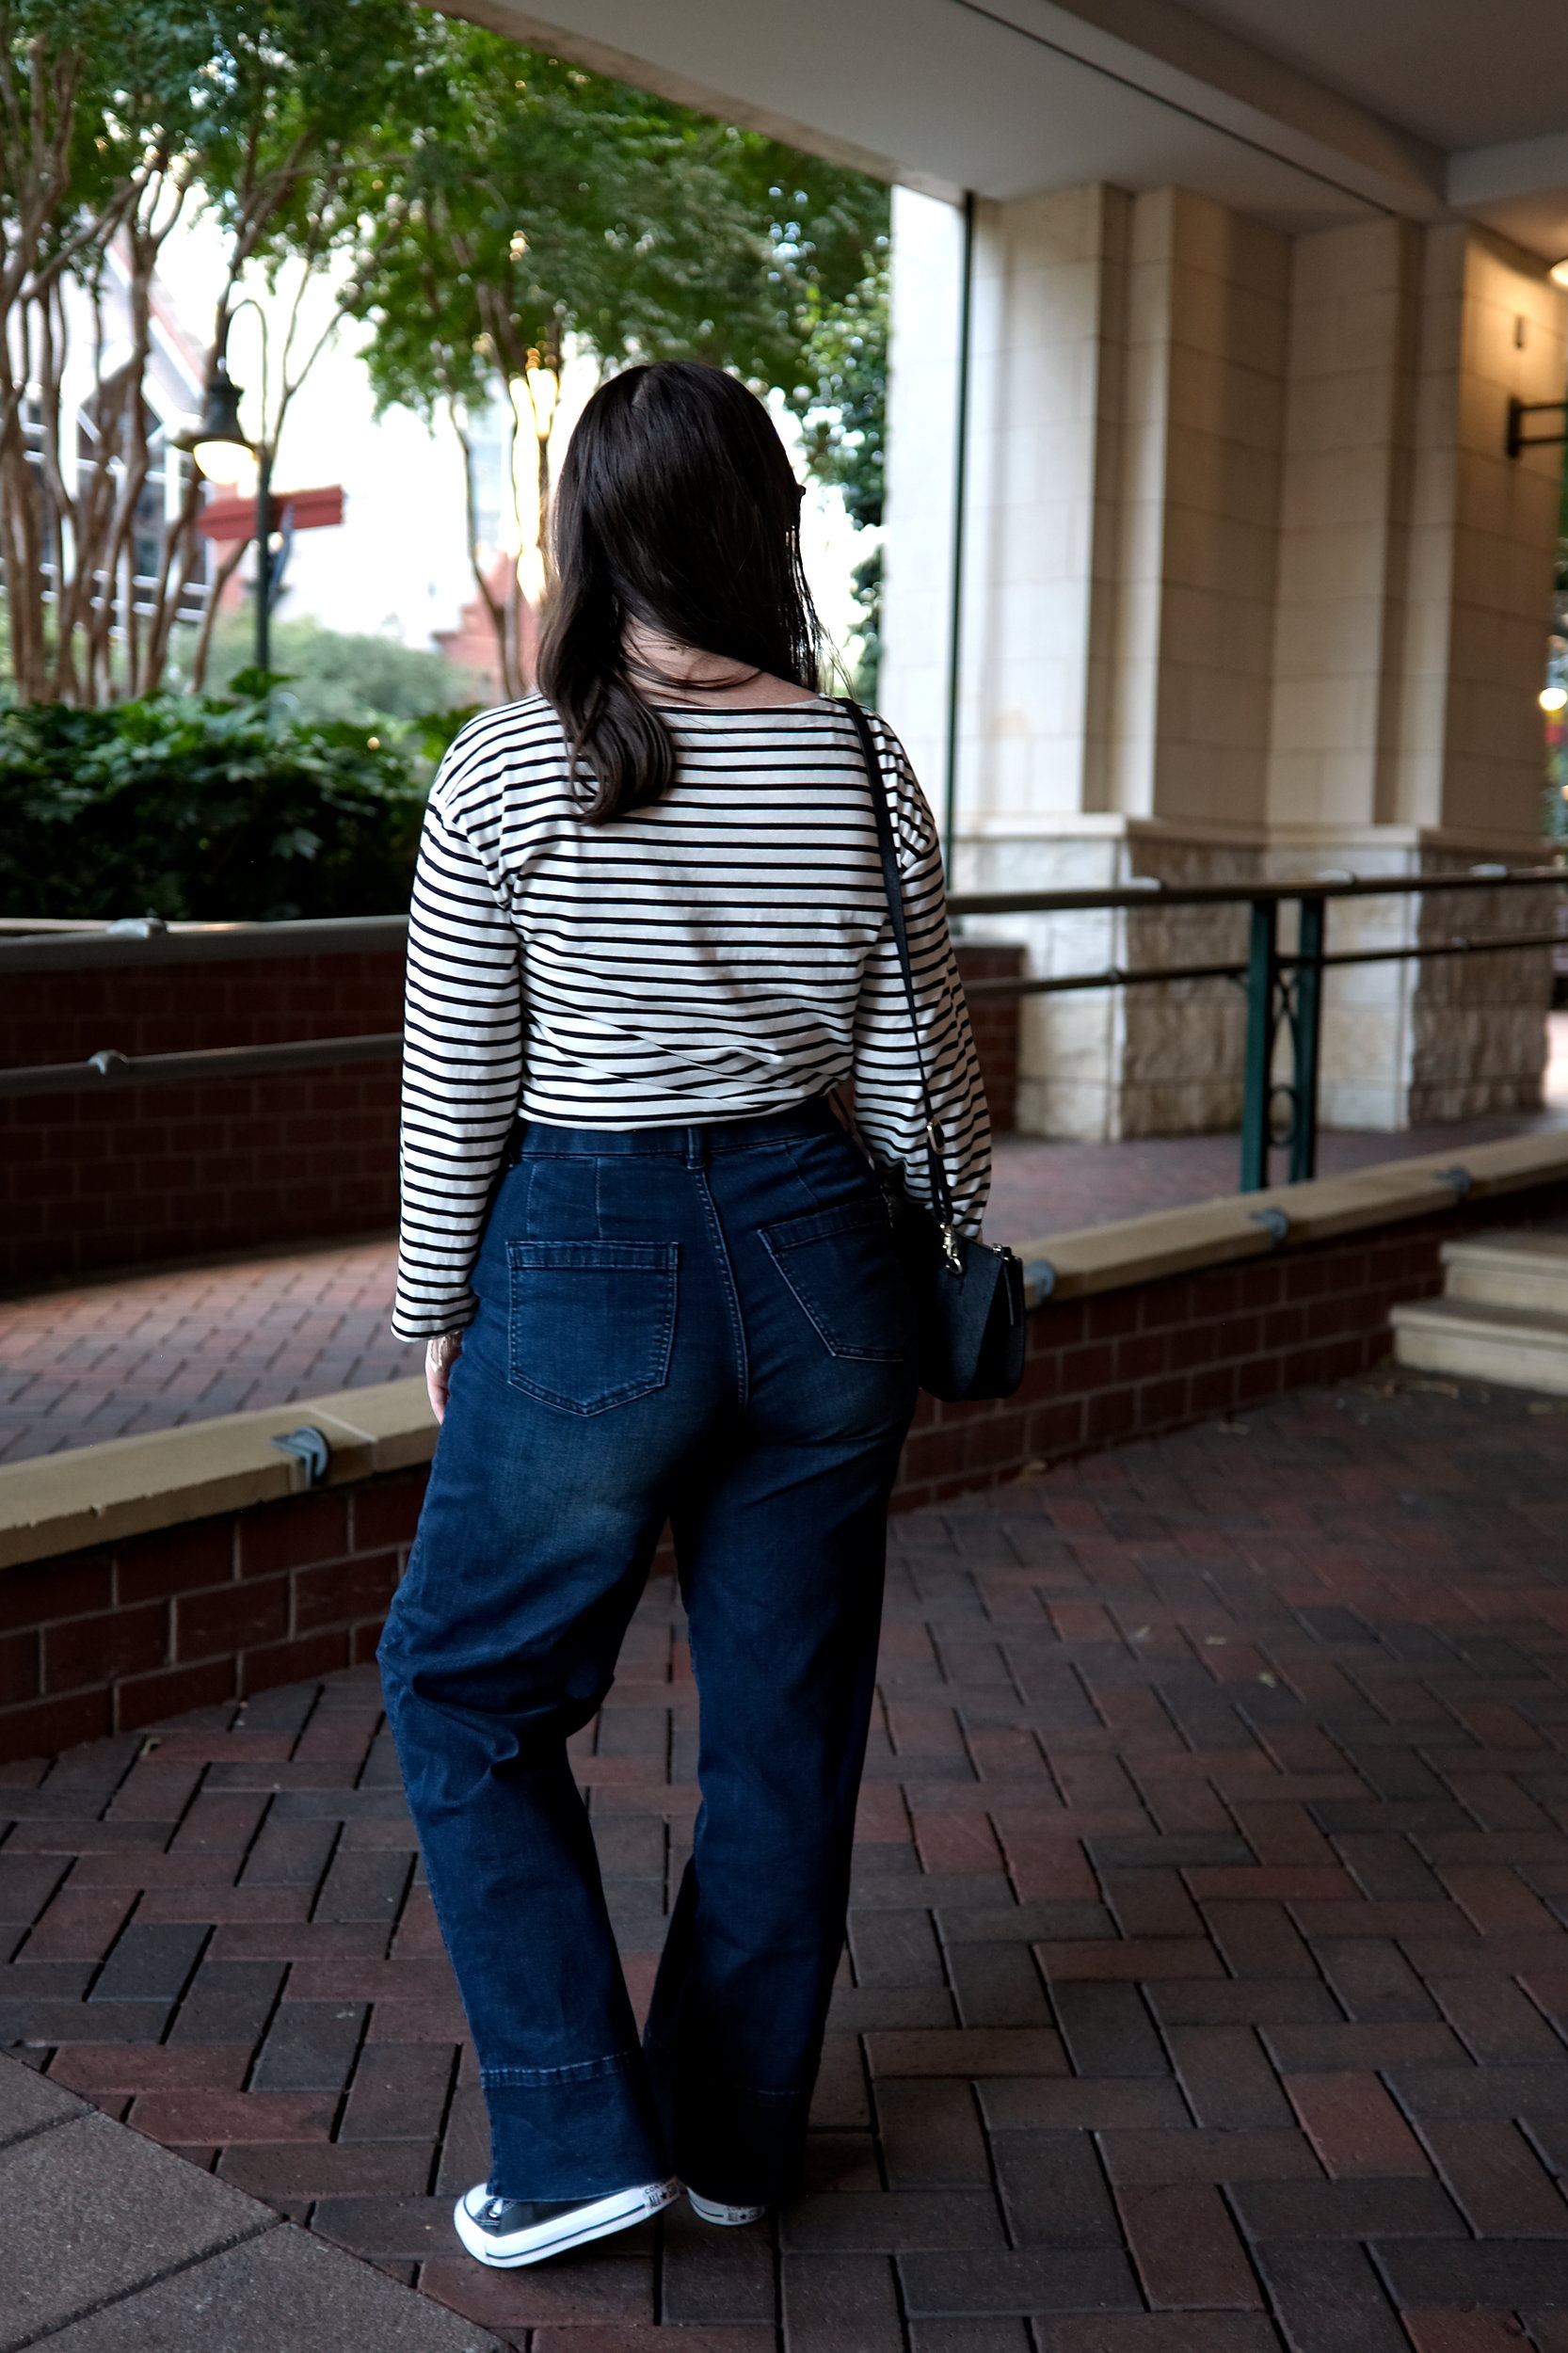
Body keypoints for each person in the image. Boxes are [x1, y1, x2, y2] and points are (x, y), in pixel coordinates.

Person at [377, 360, 989, 2270]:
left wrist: (431, 1299)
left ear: (590, 534)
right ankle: (726, 2136)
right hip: (822, 1257)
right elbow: (920, 1071)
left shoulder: (504, 764)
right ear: (761, 528)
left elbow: (457, 1073)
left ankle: (572, 2135)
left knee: (466, 1683)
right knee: (783, 1721)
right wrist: (946, 1238)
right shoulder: (860, 758)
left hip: (584, 1253)